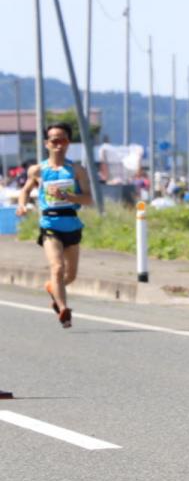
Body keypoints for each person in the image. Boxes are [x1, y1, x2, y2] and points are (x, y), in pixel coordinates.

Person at [16, 122, 95, 329]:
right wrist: (22, 206)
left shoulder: (76, 169)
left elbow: (88, 199)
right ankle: (63, 310)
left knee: (71, 275)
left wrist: (68, 196)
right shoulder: (38, 170)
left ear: (68, 143)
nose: (59, 144)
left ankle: (53, 288)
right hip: (49, 222)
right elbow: (25, 190)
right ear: (47, 143)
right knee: (57, 267)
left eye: (63, 140)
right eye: (54, 140)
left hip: (72, 223)